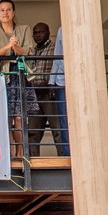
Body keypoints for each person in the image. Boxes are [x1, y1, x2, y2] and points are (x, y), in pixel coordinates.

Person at [0, 0, 39, 157]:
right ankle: (10, 152)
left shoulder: (24, 29)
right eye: (2, 10)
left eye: (8, 9)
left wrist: (16, 46)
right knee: (5, 117)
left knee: (19, 117)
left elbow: (29, 52)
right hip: (3, 78)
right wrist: (8, 46)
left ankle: (21, 150)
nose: (5, 13)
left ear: (13, 12)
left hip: (20, 76)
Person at [26, 22, 64, 155]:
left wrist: (52, 84)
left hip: (49, 93)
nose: (38, 35)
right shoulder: (32, 51)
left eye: (41, 32)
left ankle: (64, 158)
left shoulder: (54, 48)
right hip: (35, 94)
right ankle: (33, 163)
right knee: (33, 131)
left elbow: (59, 65)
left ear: (48, 33)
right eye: (35, 33)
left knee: (57, 128)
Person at [47, 25, 70, 156]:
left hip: (82, 82)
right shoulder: (61, 29)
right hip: (62, 81)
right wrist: (51, 82)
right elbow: (57, 57)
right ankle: (68, 153)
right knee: (64, 120)